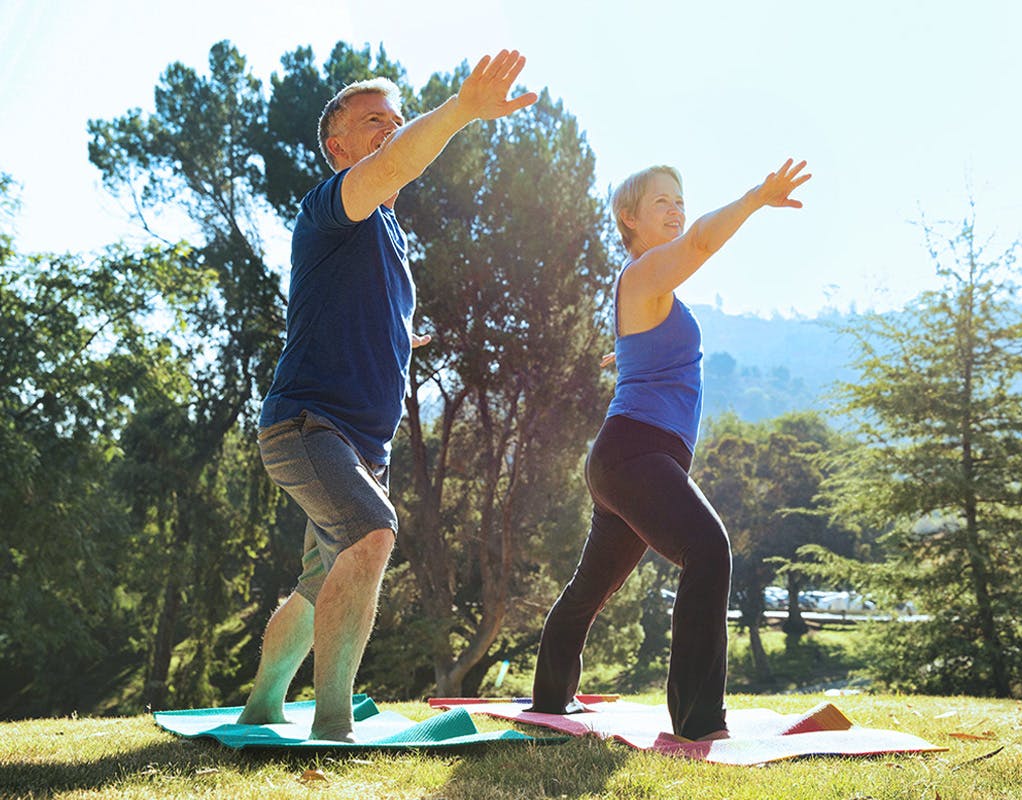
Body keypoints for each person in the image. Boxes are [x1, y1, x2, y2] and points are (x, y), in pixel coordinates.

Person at [237, 50, 537, 741]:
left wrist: (406, 338)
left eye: (397, 120)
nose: (391, 130)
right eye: (376, 121)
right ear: (338, 145)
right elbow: (397, 165)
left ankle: (260, 706)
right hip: (308, 428)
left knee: (322, 580)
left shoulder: (388, 237)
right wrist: (461, 109)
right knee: (372, 535)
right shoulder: (331, 207)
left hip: (360, 443)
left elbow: (363, 313)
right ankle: (334, 724)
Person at [531, 159, 812, 741]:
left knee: (592, 585)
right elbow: (705, 241)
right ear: (629, 218)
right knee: (709, 549)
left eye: (679, 198)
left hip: (628, 459)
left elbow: (646, 346)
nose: (676, 208)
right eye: (661, 201)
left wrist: (624, 355)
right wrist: (756, 197)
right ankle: (698, 721)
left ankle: (551, 698)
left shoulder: (653, 289)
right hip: (635, 453)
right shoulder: (643, 277)